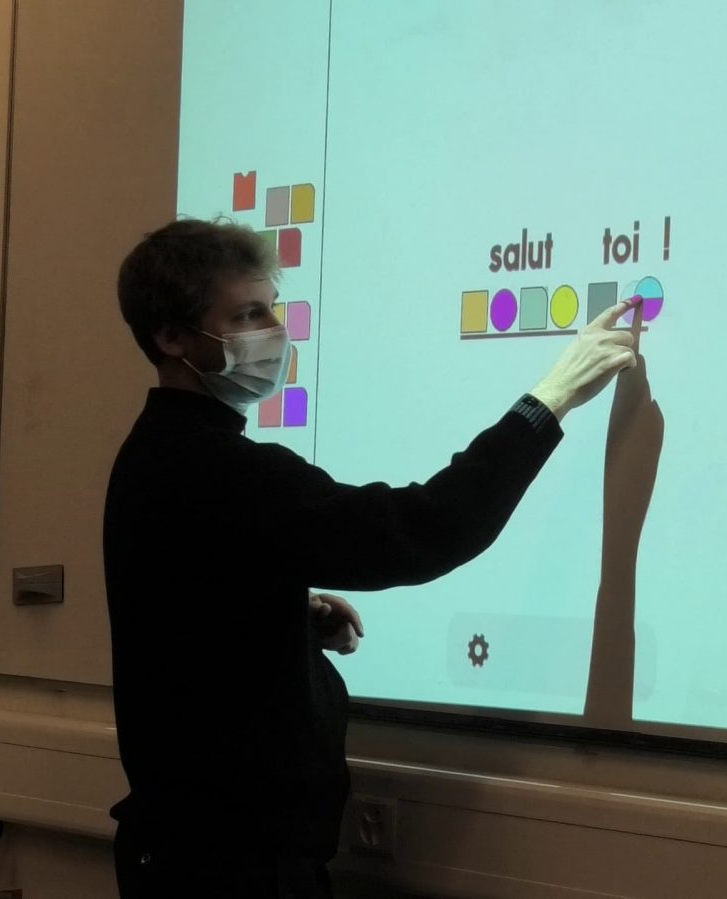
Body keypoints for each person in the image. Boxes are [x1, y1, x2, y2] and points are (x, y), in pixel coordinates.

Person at [103, 217, 640, 898]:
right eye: (246, 315)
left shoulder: (156, 454)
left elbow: (190, 604)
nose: (274, 331)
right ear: (171, 337)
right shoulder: (222, 470)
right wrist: (552, 398)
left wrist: (288, 614)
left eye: (272, 308)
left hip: (193, 857)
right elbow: (425, 529)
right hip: (226, 872)